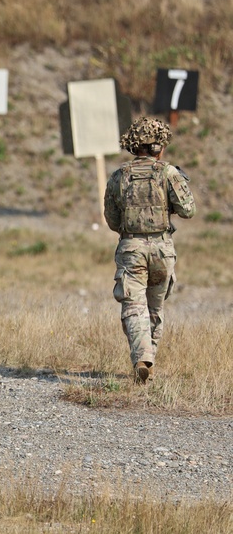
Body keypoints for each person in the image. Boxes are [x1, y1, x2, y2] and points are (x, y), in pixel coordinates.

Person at [104, 117, 195, 384]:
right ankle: (149, 359)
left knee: (134, 306)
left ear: (133, 146)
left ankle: (143, 357)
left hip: (131, 248)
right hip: (162, 249)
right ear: (160, 147)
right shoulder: (168, 173)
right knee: (155, 307)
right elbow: (188, 210)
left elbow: (111, 219)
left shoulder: (119, 176)